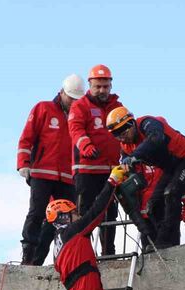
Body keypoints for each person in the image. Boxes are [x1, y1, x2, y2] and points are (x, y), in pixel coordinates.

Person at [106, 107, 185, 249]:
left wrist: (135, 156)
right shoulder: (126, 146)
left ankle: (167, 242)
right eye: (116, 135)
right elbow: (125, 167)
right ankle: (160, 242)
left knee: (171, 193)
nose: (122, 137)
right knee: (153, 204)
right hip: (172, 167)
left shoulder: (147, 123)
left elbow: (156, 137)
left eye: (123, 131)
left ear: (131, 123)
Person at [16, 75, 83, 266]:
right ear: (61, 92)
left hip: (67, 177)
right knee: (37, 213)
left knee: (65, 219)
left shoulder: (78, 115)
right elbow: (27, 137)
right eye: (71, 98)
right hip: (42, 172)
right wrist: (24, 163)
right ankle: (28, 256)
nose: (73, 102)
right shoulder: (43, 108)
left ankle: (58, 258)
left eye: (77, 99)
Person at [69, 65, 123, 256]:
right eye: (98, 86)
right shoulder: (80, 106)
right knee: (86, 214)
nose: (102, 90)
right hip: (86, 170)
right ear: (90, 85)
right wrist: (86, 146)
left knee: (110, 213)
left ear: (110, 85)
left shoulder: (117, 107)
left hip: (110, 170)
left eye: (105, 86)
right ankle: (82, 252)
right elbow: (76, 129)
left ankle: (108, 253)